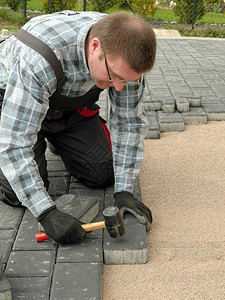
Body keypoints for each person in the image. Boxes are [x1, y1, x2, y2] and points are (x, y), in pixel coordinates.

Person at [0, 10, 156, 245]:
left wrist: (125, 191)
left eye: (127, 80)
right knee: (18, 195)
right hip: (14, 101)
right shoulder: (38, 58)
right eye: (114, 77)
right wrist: (46, 213)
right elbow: (14, 142)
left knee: (103, 172)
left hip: (65, 106)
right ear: (95, 46)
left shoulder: (124, 59)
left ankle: (56, 141)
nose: (120, 88)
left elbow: (128, 123)